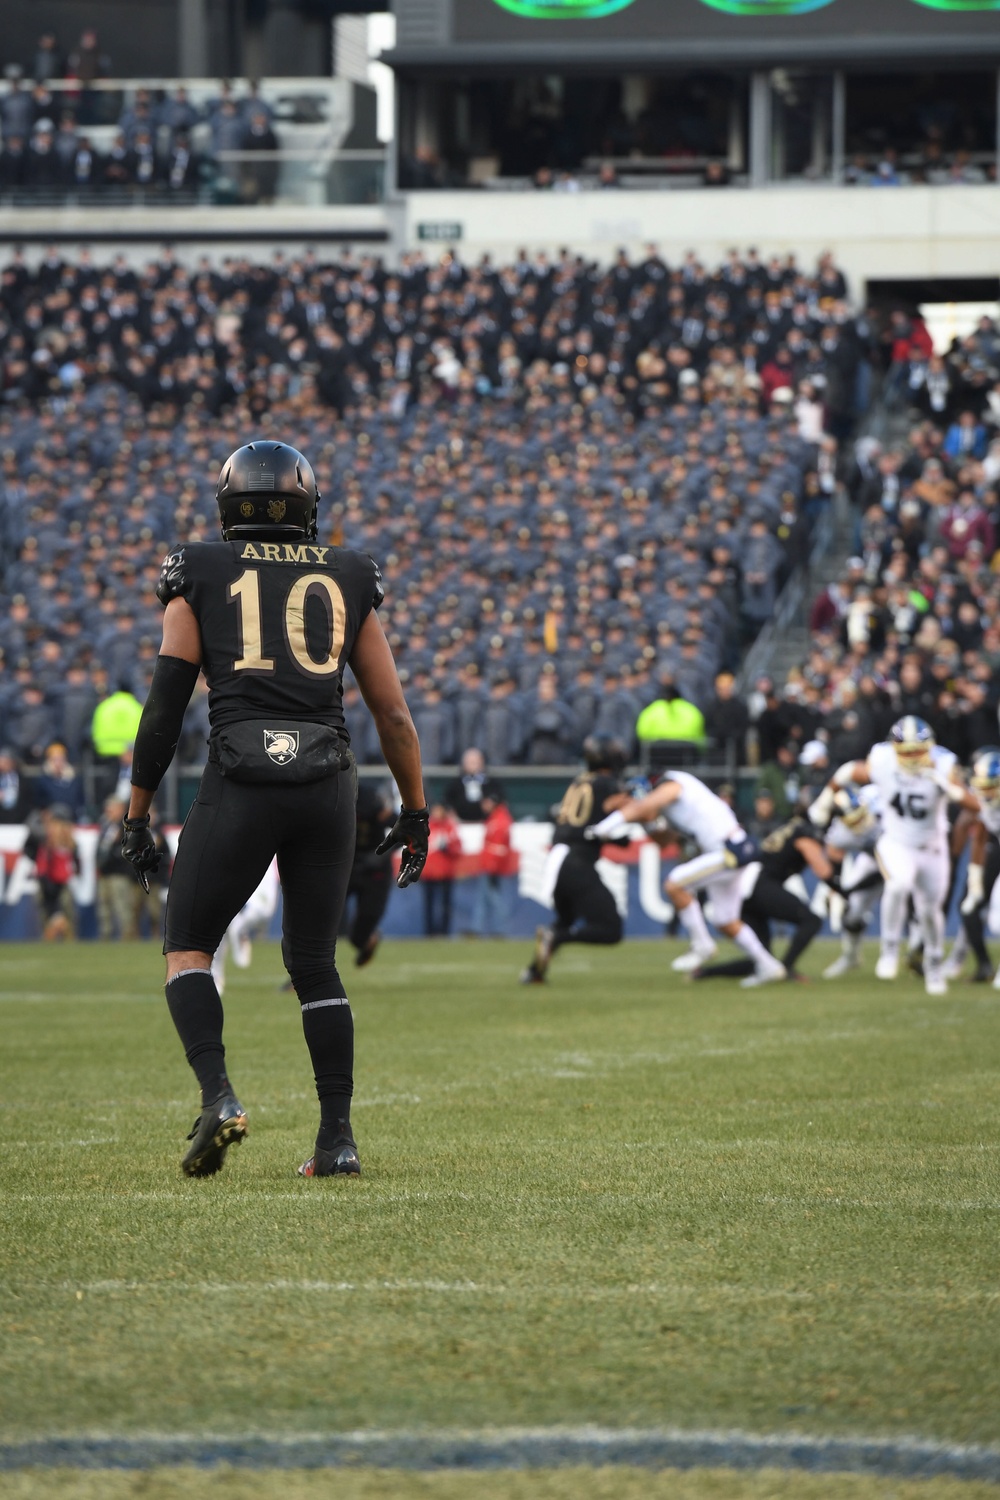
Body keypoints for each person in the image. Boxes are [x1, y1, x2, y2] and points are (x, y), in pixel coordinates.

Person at [119, 440, 427, 1181]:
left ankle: (218, 1097)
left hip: (242, 775)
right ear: (306, 505)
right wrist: (416, 810)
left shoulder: (201, 568)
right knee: (317, 965)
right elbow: (391, 711)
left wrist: (136, 813)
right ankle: (337, 1141)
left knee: (189, 945)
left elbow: (164, 708)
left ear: (229, 503)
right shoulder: (348, 573)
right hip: (328, 781)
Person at [808, 716, 979, 996]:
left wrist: (948, 787)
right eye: (906, 752)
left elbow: (975, 804)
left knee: (929, 912)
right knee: (898, 884)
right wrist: (824, 800)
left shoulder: (944, 765)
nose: (912, 758)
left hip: (933, 846)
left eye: (917, 751)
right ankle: (889, 949)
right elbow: (850, 770)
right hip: (896, 842)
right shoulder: (883, 760)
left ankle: (933, 965)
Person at [589, 770, 787, 988]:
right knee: (725, 920)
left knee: (674, 883)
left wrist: (604, 827)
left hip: (728, 850)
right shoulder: (672, 804)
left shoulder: (673, 783)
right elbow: (664, 840)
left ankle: (702, 945)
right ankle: (768, 965)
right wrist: (644, 822)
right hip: (729, 851)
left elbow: (643, 806)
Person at [520, 734, 629, 985]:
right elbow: (619, 804)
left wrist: (612, 839)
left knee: (566, 921)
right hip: (574, 862)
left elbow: (583, 825)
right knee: (610, 928)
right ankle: (555, 939)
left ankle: (534, 972)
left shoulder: (580, 781)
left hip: (558, 859)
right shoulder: (605, 784)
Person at [692, 814, 832, 983]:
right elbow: (823, 870)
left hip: (745, 886)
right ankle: (785, 968)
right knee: (811, 921)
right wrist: (842, 889)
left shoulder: (793, 825)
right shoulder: (805, 832)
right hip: (758, 882)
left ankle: (704, 973)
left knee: (763, 959)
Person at [343, 779, 395, 966]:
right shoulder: (331, 800)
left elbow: (402, 828)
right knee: (320, 919)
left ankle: (367, 941)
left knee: (362, 930)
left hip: (374, 870)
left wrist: (381, 855)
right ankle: (304, 973)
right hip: (345, 866)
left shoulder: (373, 801)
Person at [212, 859, 280, 996]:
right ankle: (215, 978)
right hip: (239, 864)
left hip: (266, 871)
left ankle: (241, 933)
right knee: (222, 925)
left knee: (257, 915)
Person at [477, 788, 516, 937]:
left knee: (494, 899)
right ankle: (482, 928)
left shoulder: (499, 820)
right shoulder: (495, 818)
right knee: (486, 898)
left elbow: (499, 848)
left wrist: (493, 867)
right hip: (490, 864)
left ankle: (499, 928)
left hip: (492, 866)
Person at [422, 803, 463, 937]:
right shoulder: (427, 826)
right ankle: (429, 933)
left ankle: (444, 932)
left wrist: (448, 847)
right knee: (429, 905)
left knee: (445, 905)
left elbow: (457, 848)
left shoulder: (449, 827)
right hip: (429, 872)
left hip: (445, 872)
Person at [442, 747, 504, 823]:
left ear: (482, 762)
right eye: (469, 762)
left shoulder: (491, 783)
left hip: (487, 823)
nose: (472, 765)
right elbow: (447, 801)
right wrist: (450, 812)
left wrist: (492, 803)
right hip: (460, 823)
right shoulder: (455, 783)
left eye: (474, 762)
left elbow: (500, 798)